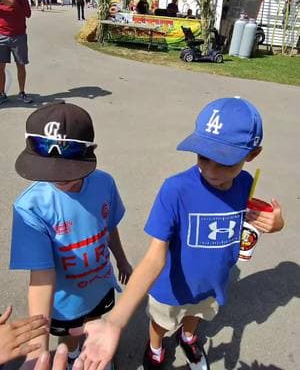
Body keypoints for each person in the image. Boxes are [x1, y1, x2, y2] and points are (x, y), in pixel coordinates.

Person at [68, 97, 284, 370]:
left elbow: (255, 221)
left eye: (225, 162)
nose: (211, 170)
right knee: (160, 323)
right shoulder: (175, 190)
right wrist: (114, 320)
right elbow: (153, 258)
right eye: (204, 156)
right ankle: (155, 348)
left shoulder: (246, 183)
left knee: (197, 313)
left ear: (252, 155)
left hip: (212, 281)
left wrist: (276, 224)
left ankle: (189, 337)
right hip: (170, 286)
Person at [10, 101, 132, 370]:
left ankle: (93, 351)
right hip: (64, 303)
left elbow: (109, 226)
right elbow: (41, 277)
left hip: (100, 285)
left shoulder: (104, 183)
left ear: (90, 153)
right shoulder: (30, 207)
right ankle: (74, 355)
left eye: (67, 169)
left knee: (97, 321)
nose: (58, 177)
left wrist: (121, 260)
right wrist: (38, 351)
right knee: (69, 339)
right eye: (49, 168)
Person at [0, 0, 33, 104]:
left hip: (18, 34)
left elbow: (28, 13)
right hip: (1, 34)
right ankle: (2, 94)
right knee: (0, 67)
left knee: (21, 65)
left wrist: (14, 5)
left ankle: (22, 92)